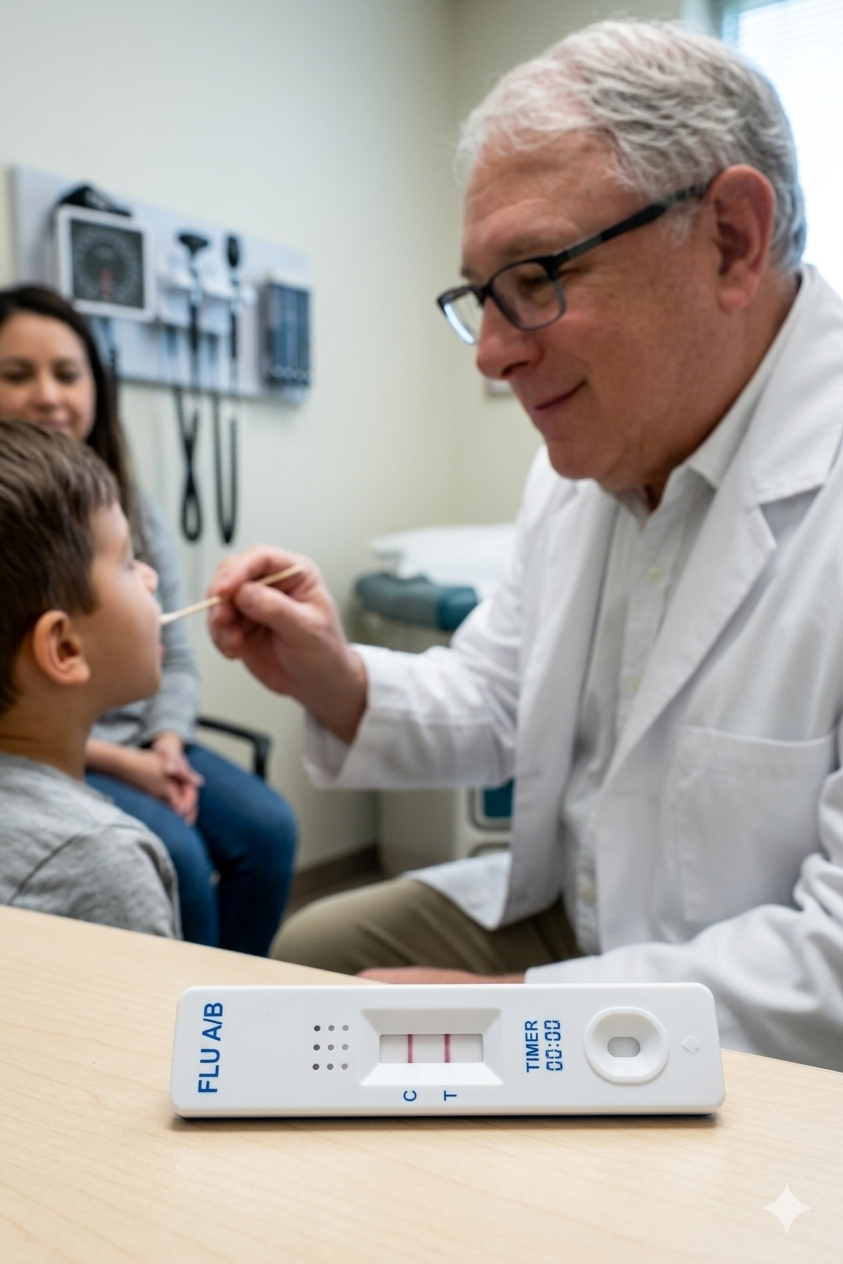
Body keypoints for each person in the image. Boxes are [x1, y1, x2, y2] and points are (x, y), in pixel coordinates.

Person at [207, 20, 843, 1070]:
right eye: (481, 295)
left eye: (537, 274)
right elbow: (504, 697)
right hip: (584, 918)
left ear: (731, 237)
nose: (493, 357)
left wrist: (516, 1017)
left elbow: (828, 966)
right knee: (311, 958)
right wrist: (338, 678)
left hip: (754, 1001)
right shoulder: (588, 458)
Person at [0, 285, 297, 955]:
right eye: (17, 375)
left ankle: (226, 993)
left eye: (67, 373)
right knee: (181, 859)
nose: (48, 394)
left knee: (267, 829)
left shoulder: (127, 501)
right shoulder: (109, 865)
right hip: (66, 746)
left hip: (126, 738)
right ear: (63, 646)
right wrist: (124, 765)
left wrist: (164, 742)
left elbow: (176, 657)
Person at [0, 418, 179, 936]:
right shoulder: (104, 865)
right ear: (64, 647)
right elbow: (158, 1021)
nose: (151, 577)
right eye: (127, 562)